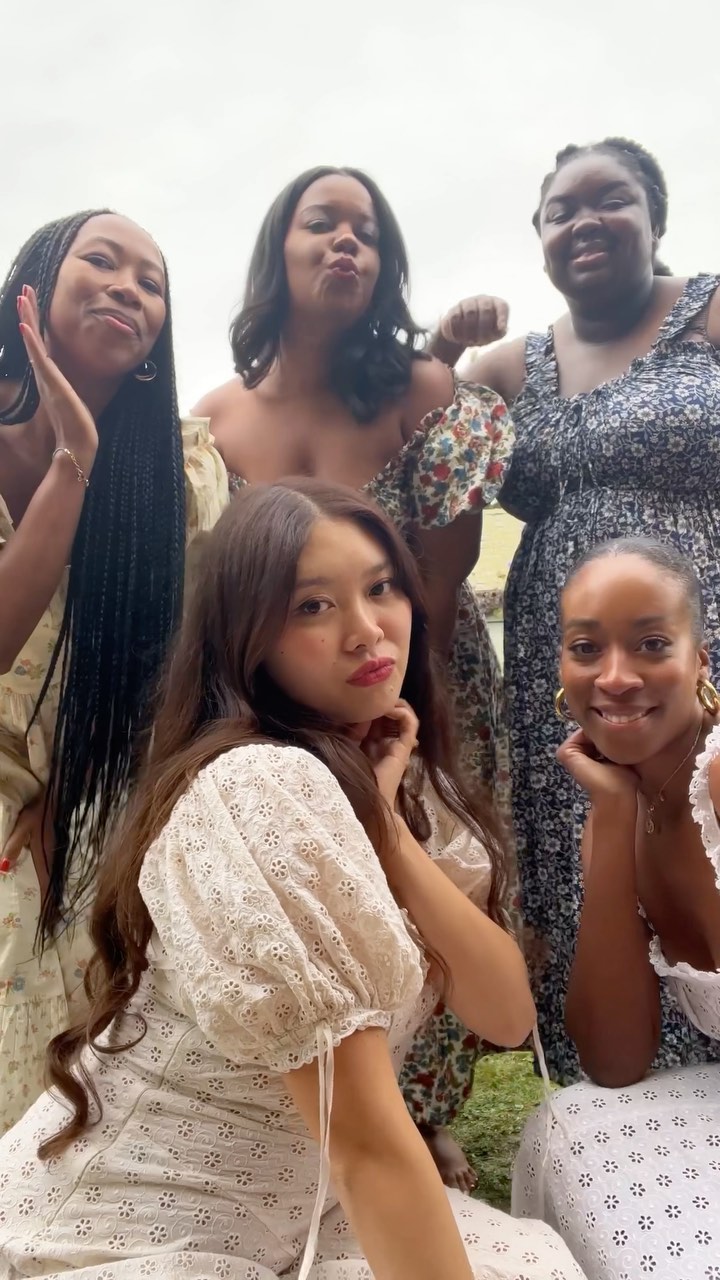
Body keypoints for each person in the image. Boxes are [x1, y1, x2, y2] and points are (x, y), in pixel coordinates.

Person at [0, 479, 587, 1280]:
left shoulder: (402, 786)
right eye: (313, 606)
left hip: (297, 1215)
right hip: (133, 1233)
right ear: (249, 640)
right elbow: (367, 1145)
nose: (367, 629)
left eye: (382, 587)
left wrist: (385, 830)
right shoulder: (257, 791)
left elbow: (506, 1014)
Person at [193, 165, 516, 1188]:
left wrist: (394, 697)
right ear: (277, 252)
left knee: (433, 878)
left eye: (367, 232)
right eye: (321, 223)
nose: (345, 242)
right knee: (318, 889)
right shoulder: (212, 422)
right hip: (280, 703)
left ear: (386, 265)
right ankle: (323, 1100)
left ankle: (421, 1111)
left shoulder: (425, 395)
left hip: (425, 678)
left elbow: (445, 574)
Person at [435, 136, 720, 1082]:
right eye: (562, 210)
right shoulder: (510, 366)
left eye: (612, 200)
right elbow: (414, 425)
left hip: (697, 634)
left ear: (656, 218)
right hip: (567, 662)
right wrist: (441, 346)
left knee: (701, 822)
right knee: (582, 840)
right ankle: (614, 1072)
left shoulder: (711, 312)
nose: (585, 221)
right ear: (541, 235)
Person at [0, 210, 226, 1132]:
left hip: (101, 771)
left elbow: (180, 659)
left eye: (152, 281)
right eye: (101, 259)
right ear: (34, 286)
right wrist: (71, 462)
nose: (129, 287)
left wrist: (79, 795)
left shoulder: (178, 472)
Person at [512, 536, 720, 1280]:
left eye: (652, 644)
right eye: (586, 648)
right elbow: (614, 1059)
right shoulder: (619, 808)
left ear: (700, 661)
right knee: (566, 1121)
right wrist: (611, 817)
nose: (616, 677)